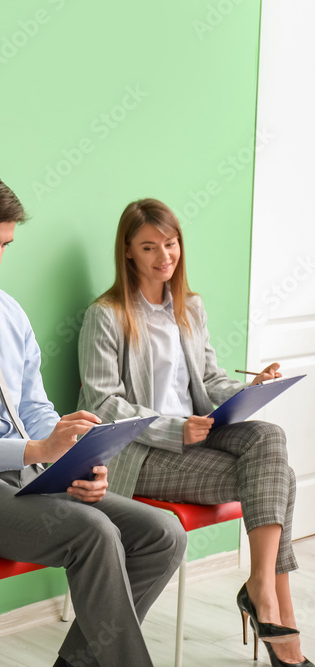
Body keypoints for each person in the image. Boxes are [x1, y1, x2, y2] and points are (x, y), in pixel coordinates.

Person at [0, 171, 186, 667]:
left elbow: (34, 408)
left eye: (5, 244)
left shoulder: (8, 310)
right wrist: (34, 452)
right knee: (94, 532)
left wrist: (73, 456)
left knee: (161, 533)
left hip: (24, 476)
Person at [77, 198, 309, 667]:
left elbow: (207, 382)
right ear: (127, 252)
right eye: (149, 247)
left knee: (268, 438)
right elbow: (103, 403)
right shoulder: (106, 314)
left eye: (170, 243)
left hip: (199, 432)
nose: (165, 257)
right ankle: (273, 604)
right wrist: (173, 428)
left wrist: (248, 389)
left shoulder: (189, 307)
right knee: (276, 477)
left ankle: (261, 585)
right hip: (140, 453)